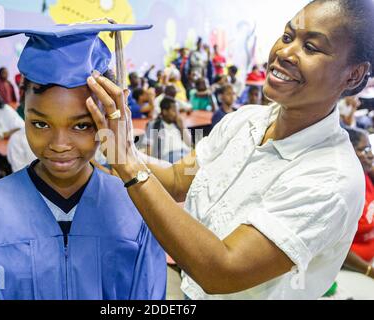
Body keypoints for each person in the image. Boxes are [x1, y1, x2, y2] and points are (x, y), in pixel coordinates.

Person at [85, 0, 374, 299]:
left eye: (311, 47)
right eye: (288, 37)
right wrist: (117, 145)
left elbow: (222, 270)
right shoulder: (245, 121)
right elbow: (174, 180)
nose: (285, 53)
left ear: (353, 75)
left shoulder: (330, 177)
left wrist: (129, 164)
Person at [0, 23, 166, 300]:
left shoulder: (137, 209)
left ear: (109, 119)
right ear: (23, 114)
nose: (59, 145)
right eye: (40, 123)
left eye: (81, 126)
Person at [344, 128, 374, 278]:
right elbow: (336, 248)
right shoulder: (345, 192)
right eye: (365, 149)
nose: (371, 155)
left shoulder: (366, 175)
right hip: (353, 270)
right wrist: (369, 271)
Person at [146, 97, 192, 163]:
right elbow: (149, 149)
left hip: (186, 153)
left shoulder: (178, 123)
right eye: (174, 111)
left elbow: (189, 143)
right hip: (169, 156)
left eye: (178, 111)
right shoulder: (154, 125)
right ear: (165, 112)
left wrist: (182, 126)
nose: (177, 114)